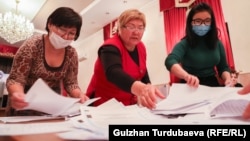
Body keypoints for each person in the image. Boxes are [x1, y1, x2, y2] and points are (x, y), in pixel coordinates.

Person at [5, 7, 89, 116]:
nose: (65, 37)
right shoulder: (32, 46)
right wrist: (17, 94)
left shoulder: (71, 53)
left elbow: (71, 83)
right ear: (50, 24)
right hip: (26, 102)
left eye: (72, 33)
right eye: (62, 30)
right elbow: (16, 79)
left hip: (52, 107)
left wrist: (79, 95)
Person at [86, 9, 165, 109]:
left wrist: (148, 86)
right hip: (104, 104)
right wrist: (141, 89)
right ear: (120, 28)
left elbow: (142, 70)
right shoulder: (110, 47)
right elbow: (113, 72)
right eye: (131, 27)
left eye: (140, 28)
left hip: (126, 105)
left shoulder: (141, 47)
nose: (136, 32)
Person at [164, 2, 232, 88]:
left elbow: (223, 68)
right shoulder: (184, 44)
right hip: (190, 84)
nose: (203, 24)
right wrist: (186, 76)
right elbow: (170, 61)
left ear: (212, 23)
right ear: (191, 23)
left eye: (207, 21)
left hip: (212, 85)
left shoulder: (218, 43)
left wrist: (228, 78)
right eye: (198, 21)